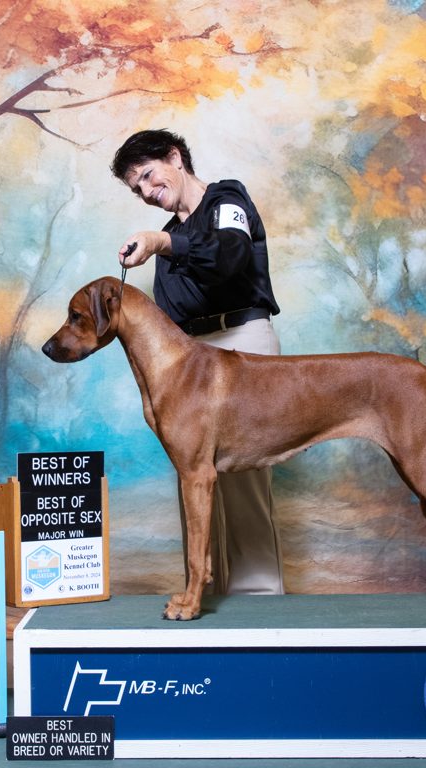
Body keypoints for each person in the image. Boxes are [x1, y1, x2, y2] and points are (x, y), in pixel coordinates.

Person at [111, 129, 283, 594]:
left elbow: (231, 256)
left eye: (148, 176)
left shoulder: (226, 200)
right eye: (137, 189)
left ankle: (259, 603)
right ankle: (206, 595)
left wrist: (165, 245)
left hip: (243, 342)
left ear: (175, 158)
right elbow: (171, 322)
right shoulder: (168, 240)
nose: (146, 192)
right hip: (197, 360)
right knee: (198, 480)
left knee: (246, 485)